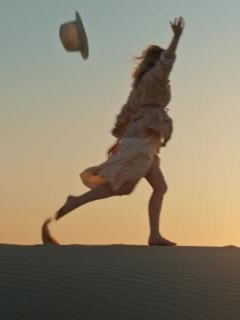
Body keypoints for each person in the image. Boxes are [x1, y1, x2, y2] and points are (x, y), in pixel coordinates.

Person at [43, 17, 186, 246]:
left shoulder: (142, 84)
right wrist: (177, 37)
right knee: (124, 187)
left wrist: (120, 140)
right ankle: (75, 202)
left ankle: (154, 235)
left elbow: (127, 112)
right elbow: (167, 62)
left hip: (143, 139)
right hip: (143, 139)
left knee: (159, 187)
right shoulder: (154, 79)